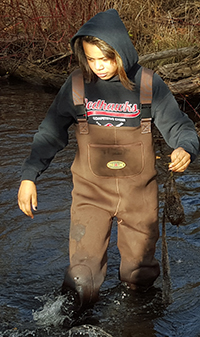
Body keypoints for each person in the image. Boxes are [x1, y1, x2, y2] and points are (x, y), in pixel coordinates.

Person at [18, 9, 199, 309]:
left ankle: (138, 323)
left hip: (139, 198)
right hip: (90, 195)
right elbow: (50, 133)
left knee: (138, 277)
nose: (99, 67)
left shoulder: (148, 84)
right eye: (91, 59)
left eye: (106, 59)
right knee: (81, 277)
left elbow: (180, 126)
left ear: (121, 53)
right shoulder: (77, 86)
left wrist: (185, 148)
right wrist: (29, 175)